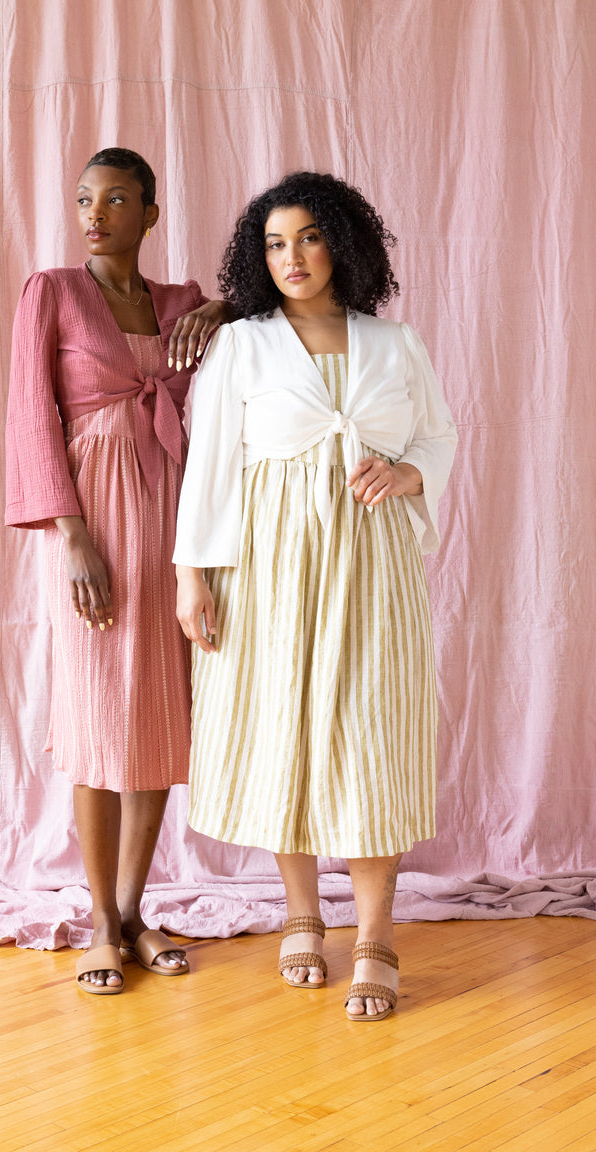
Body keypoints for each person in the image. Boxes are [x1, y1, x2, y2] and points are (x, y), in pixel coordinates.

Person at [174, 172, 457, 1020]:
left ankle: (375, 935)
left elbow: (438, 437)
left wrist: (408, 473)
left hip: (372, 566)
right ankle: (302, 913)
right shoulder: (242, 345)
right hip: (268, 569)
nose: (291, 257)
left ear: (343, 242)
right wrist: (192, 575)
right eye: (274, 244)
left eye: (307, 237)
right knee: (282, 728)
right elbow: (209, 464)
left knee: (373, 733)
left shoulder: (395, 343)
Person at [6, 147, 228, 994]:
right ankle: (100, 919)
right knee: (100, 717)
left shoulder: (176, 305)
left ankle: (134, 913)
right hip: (93, 520)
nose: (95, 214)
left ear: (150, 214)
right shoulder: (54, 291)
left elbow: (269, 310)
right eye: (84, 199)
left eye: (116, 199)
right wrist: (71, 537)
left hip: (172, 516)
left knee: (158, 715)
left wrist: (223, 305)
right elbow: (32, 415)